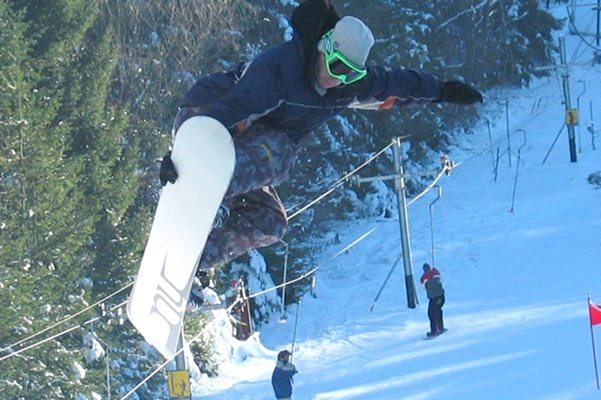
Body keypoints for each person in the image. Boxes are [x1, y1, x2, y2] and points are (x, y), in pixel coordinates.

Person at [160, 0, 483, 305]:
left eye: (351, 74)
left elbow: (398, 84)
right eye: (336, 65)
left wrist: (443, 91)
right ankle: (208, 197)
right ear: (322, 48)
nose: (338, 79)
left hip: (245, 147)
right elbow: (232, 109)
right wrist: (186, 156)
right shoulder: (279, 70)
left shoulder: (349, 87)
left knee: (270, 223)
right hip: (208, 116)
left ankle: (193, 262)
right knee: (281, 154)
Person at [420, 263, 446, 337]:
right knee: (438, 311)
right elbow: (442, 280)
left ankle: (434, 331)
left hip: (434, 298)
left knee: (431, 313)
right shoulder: (437, 273)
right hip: (441, 297)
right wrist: (436, 270)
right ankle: (440, 328)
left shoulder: (424, 277)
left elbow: (423, 287)